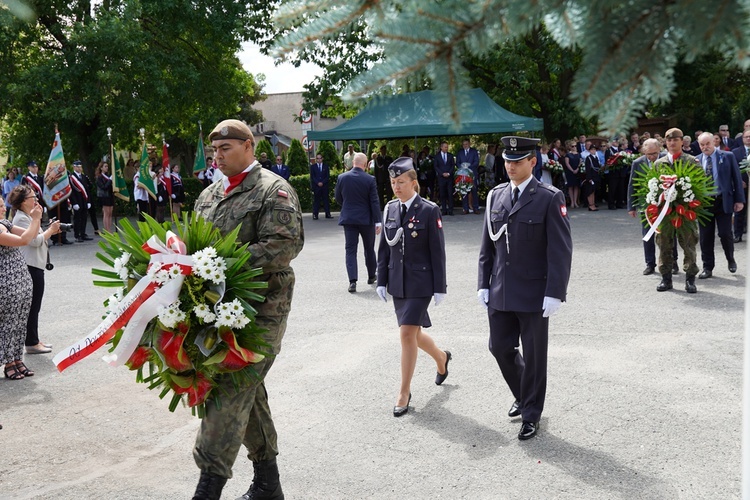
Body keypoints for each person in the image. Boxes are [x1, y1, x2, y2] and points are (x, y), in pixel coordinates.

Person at [191, 119, 304, 500]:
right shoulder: (208, 196)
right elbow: (194, 247)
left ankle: (207, 490)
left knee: (229, 389)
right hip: (214, 314)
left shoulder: (274, 190)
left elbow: (284, 247)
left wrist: (221, 261)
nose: (217, 157)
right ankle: (268, 484)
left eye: (225, 149)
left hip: (262, 313)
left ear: (249, 147)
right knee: (247, 393)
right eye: (214, 151)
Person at [477, 136, 573, 441]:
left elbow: (560, 249)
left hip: (534, 292)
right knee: (499, 347)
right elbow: (487, 246)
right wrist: (483, 282)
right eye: (507, 161)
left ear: (532, 162)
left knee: (534, 356)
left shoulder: (548, 196)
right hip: (501, 290)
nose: (510, 166)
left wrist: (555, 291)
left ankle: (531, 413)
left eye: (517, 161)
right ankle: (522, 392)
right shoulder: (496, 195)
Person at [376, 157, 449, 418]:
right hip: (398, 281)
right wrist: (381, 279)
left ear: (413, 182)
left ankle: (403, 392)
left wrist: (440, 286)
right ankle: (441, 358)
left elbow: (437, 251)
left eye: (401, 182)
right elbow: (385, 247)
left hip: (421, 282)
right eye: (393, 182)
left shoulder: (429, 210)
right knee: (414, 334)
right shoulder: (390, 210)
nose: (396, 186)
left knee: (406, 333)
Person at [0, 195, 46, 381]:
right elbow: (24, 240)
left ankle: (17, 358)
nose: (3, 208)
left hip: (21, 281)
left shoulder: (5, 223)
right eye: (0, 206)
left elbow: (31, 233)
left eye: (2, 204)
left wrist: (37, 219)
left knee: (20, 322)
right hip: (6, 283)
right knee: (8, 324)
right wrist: (35, 219)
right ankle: (8, 362)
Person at [11, 185, 61, 355]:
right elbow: (34, 241)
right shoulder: (21, 219)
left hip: (36, 264)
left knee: (35, 305)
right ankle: (31, 342)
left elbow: (38, 237)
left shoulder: (29, 216)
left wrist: (47, 229)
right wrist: (50, 231)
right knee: (32, 306)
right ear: (24, 201)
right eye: (33, 197)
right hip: (30, 265)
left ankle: (34, 339)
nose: (36, 200)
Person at [653, 128, 701, 293]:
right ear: (666, 143)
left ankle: (690, 279)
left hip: (685, 212)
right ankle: (666, 278)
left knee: (689, 244)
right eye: (669, 140)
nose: (672, 143)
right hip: (665, 213)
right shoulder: (659, 163)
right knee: (664, 244)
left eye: (676, 140)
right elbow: (653, 187)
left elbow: (700, 186)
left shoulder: (691, 161)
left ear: (682, 141)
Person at [695, 132, 745, 279]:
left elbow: (736, 179)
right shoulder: (695, 160)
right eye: (702, 145)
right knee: (705, 237)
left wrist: (739, 200)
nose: (705, 147)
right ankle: (707, 267)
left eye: (707, 144)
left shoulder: (727, 156)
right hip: (704, 203)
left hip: (723, 201)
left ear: (714, 142)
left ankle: (730, 259)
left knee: (725, 233)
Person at [627, 139, 678, 275]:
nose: (652, 157)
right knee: (647, 234)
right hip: (646, 204)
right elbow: (632, 185)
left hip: (665, 203)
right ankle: (650, 263)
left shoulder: (667, 160)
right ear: (644, 152)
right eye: (649, 154)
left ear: (660, 149)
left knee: (669, 233)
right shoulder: (637, 163)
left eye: (655, 153)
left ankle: (673, 262)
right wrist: (631, 206)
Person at [334, 152, 381, 292]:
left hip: (349, 219)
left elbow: (338, 198)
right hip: (366, 220)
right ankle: (372, 276)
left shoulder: (342, 177)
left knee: (350, 250)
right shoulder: (370, 179)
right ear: (365, 165)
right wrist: (378, 221)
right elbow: (374, 202)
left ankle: (352, 281)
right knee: (369, 248)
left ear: (352, 163)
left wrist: (347, 206)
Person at [731, 129, 750, 242]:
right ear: (742, 139)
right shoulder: (735, 152)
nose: (748, 139)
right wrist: (737, 182)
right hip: (742, 186)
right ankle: (737, 234)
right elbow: (732, 170)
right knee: (740, 211)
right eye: (746, 137)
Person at [69, 160, 92, 242]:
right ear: (74, 167)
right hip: (77, 201)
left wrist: (88, 201)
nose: (80, 168)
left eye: (80, 167)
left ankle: (83, 233)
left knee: (84, 218)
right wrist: (74, 203)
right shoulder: (71, 178)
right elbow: (71, 192)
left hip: (84, 200)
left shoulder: (84, 177)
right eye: (78, 167)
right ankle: (77, 235)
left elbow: (87, 190)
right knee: (77, 219)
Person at [457, 138, 480, 214]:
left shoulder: (474, 151)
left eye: (466, 144)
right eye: (463, 144)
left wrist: (468, 167)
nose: (465, 146)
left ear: (469, 144)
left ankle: (475, 208)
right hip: (463, 174)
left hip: (472, 174)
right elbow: (457, 163)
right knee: (464, 191)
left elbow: (476, 162)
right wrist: (462, 167)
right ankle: (465, 208)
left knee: (474, 191)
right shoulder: (460, 152)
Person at [434, 141, 455, 216]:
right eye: (445, 147)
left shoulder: (450, 155)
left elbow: (453, 165)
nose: (446, 148)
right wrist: (442, 173)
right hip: (441, 178)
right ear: (441, 147)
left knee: (450, 193)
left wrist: (449, 173)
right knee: (442, 194)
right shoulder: (437, 156)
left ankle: (451, 210)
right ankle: (444, 210)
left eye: (447, 147)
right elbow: (436, 166)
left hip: (449, 177)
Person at [309, 153, 331, 220]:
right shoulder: (313, 167)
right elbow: (312, 177)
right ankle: (315, 214)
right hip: (316, 186)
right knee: (316, 201)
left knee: (326, 200)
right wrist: (317, 183)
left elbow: (327, 176)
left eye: (320, 158)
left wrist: (322, 182)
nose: (319, 160)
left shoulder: (326, 166)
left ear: (322, 159)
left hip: (324, 186)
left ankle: (328, 214)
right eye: (317, 158)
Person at [96, 163, 114, 233]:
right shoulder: (99, 177)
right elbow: (104, 187)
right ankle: (107, 230)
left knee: (110, 213)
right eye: (105, 166)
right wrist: (110, 180)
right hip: (104, 196)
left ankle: (109, 229)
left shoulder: (108, 176)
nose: (107, 168)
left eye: (107, 166)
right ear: (101, 168)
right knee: (106, 213)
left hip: (110, 195)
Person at [563, 140, 581, 208]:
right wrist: (572, 170)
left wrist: (577, 169)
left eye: (575, 146)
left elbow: (580, 162)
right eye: (572, 146)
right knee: (570, 187)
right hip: (570, 172)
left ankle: (575, 202)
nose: (574, 147)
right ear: (570, 147)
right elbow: (567, 163)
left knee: (576, 186)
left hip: (577, 171)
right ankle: (572, 202)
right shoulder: (568, 154)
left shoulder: (578, 154)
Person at [583, 144, 601, 210]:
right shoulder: (588, 158)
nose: (593, 151)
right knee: (590, 191)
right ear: (589, 150)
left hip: (596, 176)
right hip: (591, 176)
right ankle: (590, 205)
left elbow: (597, 167)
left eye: (594, 149)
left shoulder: (595, 157)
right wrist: (589, 178)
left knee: (594, 191)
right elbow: (588, 168)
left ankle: (593, 204)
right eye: (592, 149)